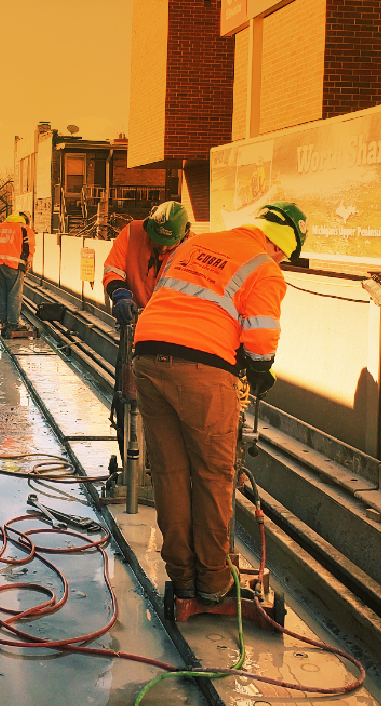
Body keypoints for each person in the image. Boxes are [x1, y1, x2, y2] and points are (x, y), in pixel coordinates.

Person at [132, 201, 307, 607]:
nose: (281, 258)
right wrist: (261, 371)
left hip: (148, 357)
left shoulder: (196, 245)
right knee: (213, 476)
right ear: (281, 245)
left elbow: (165, 295)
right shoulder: (265, 268)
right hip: (204, 371)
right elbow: (261, 335)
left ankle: (183, 578)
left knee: (170, 472)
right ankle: (213, 583)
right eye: (285, 252)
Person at [103, 201, 191, 325]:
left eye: (170, 242)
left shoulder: (193, 248)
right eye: (158, 241)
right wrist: (121, 295)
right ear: (148, 228)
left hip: (173, 325)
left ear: (184, 235)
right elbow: (113, 270)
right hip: (136, 320)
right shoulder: (132, 233)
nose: (163, 248)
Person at [0, 211, 35, 335]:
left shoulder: (0, 227)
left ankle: (4, 322)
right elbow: (29, 248)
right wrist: (27, 263)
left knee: (3, 294)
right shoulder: (24, 229)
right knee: (14, 295)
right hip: (13, 265)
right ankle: (13, 324)